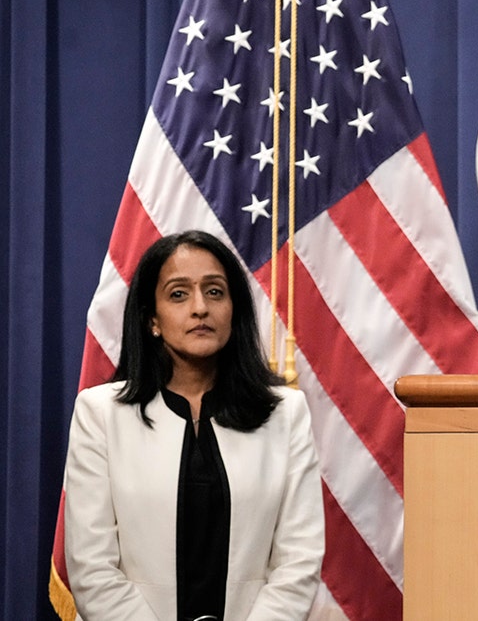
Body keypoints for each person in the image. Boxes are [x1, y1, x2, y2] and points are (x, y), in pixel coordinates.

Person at [64, 230, 324, 620]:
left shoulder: (286, 413)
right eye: (178, 294)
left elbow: (298, 562)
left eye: (215, 292)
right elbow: (92, 569)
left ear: (235, 311)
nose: (200, 308)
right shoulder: (99, 414)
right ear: (152, 318)